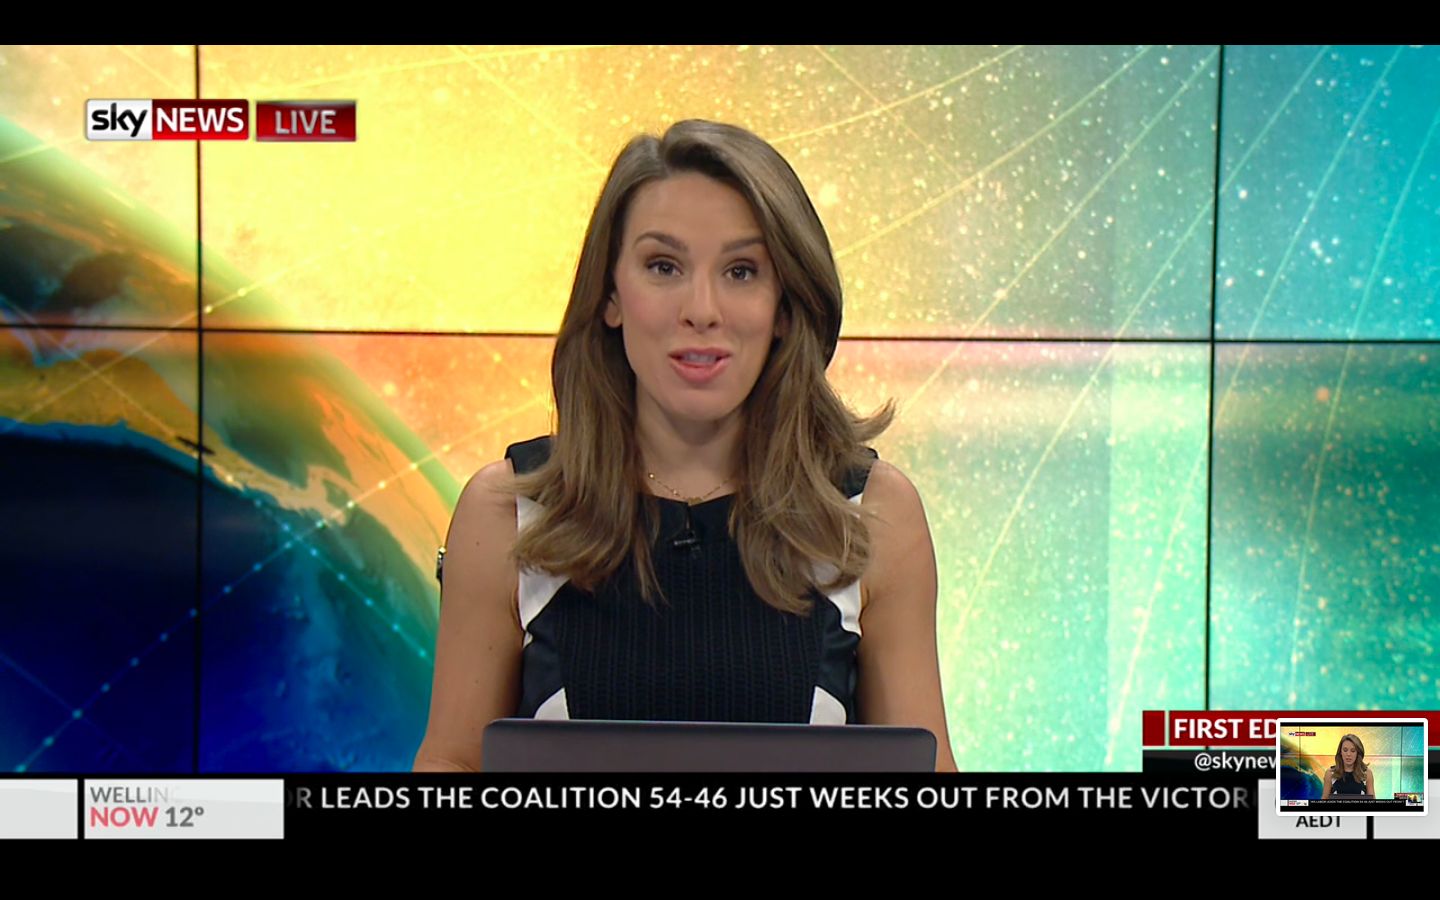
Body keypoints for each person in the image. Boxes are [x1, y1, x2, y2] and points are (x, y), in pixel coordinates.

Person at [413, 119, 957, 773]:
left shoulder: (872, 517)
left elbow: (927, 781)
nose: (702, 309)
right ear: (611, 295)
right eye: (663, 266)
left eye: (741, 271)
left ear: (785, 308)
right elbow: (452, 768)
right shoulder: (506, 513)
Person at [1319, 734, 1375, 799]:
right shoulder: (1330, 773)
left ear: (1358, 753)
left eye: (1353, 751)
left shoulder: (1367, 773)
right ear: (1340, 752)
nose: (1348, 754)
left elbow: (1372, 799)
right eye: (1345, 750)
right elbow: (1325, 798)